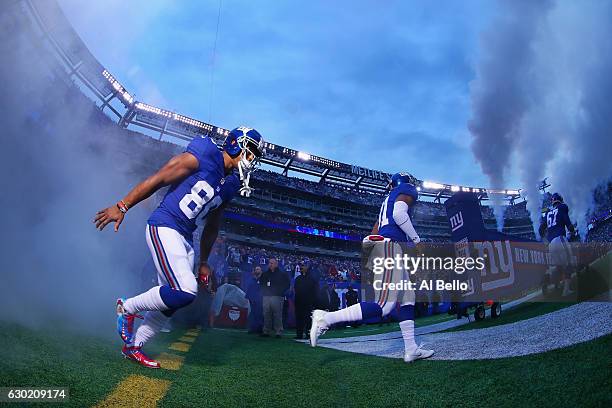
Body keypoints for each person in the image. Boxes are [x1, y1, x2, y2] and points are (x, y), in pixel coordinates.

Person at [94, 127, 265, 368]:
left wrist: (204, 262)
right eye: (250, 152)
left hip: (185, 237)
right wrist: (123, 206)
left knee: (173, 300)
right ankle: (127, 307)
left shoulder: (232, 183)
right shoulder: (205, 153)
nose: (252, 159)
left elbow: (213, 224)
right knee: (186, 290)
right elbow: (161, 176)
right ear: (236, 144)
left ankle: (133, 347)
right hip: (165, 224)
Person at [310, 173, 434, 363]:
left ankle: (411, 349)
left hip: (384, 246)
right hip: (391, 247)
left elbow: (375, 229)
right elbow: (399, 214)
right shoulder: (406, 190)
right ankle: (325, 319)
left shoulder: (386, 201)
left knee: (408, 298)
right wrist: (417, 240)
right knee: (383, 306)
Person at [540, 192, 577, 296]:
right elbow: (569, 225)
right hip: (560, 239)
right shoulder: (562, 207)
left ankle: (550, 283)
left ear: (552, 202)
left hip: (551, 243)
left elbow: (540, 229)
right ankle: (566, 290)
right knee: (569, 264)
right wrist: (573, 231)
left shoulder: (547, 213)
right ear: (560, 200)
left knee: (557, 266)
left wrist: (545, 241)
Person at [260, 257, 290, 338]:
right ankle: (266, 331)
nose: (270, 264)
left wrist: (280, 291)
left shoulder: (282, 274)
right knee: (266, 314)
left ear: (276, 264)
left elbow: (287, 284)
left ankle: (278, 331)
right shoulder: (265, 274)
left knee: (277, 315)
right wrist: (264, 291)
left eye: (272, 263)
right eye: (269, 263)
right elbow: (261, 284)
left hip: (277, 296)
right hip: (266, 296)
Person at [293, 263, 317, 339]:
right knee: (299, 318)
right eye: (301, 267)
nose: (301, 268)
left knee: (308, 319)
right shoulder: (298, 279)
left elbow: (314, 291)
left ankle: (308, 334)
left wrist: (312, 301)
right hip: (299, 302)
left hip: (308, 302)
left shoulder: (311, 279)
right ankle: (299, 334)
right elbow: (295, 290)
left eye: (303, 266)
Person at [245, 265, 264, 334]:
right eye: (256, 269)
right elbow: (248, 287)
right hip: (252, 298)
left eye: (258, 269)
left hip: (260, 299)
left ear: (261, 271)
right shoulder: (251, 279)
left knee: (259, 313)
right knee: (252, 313)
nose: (257, 270)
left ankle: (259, 328)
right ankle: (252, 328)